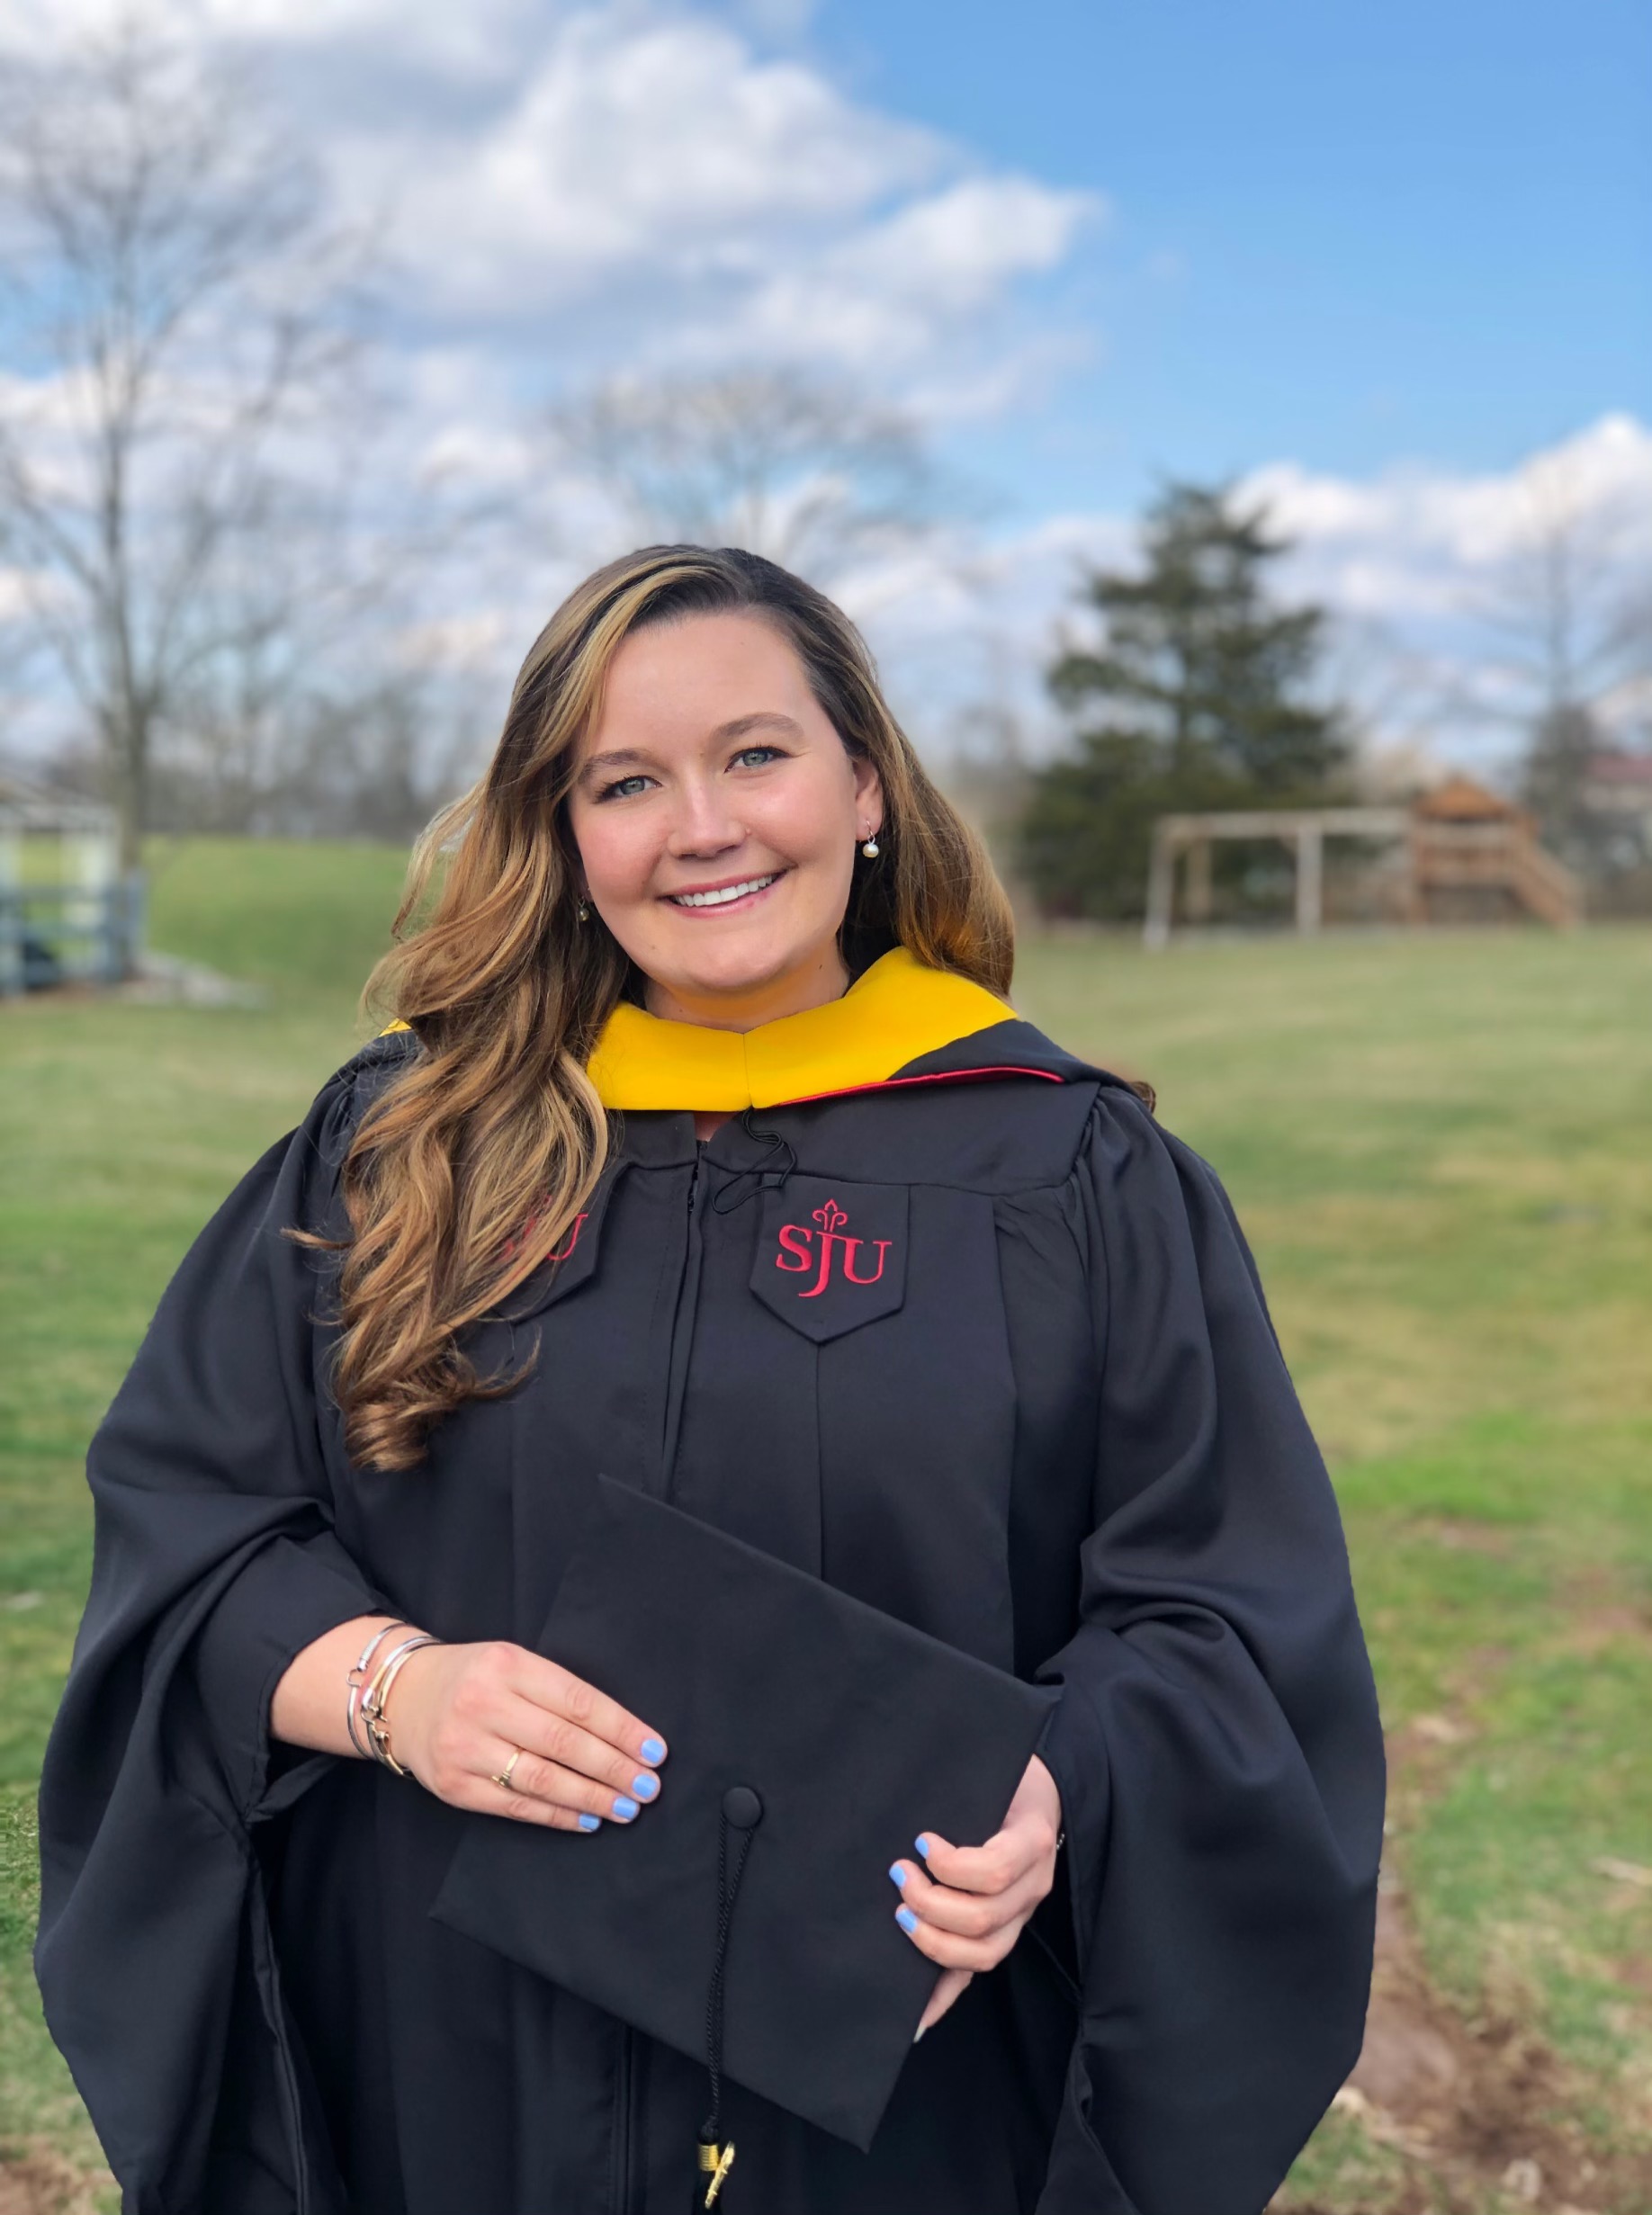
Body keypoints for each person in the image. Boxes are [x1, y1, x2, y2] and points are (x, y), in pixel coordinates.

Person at [35, 545, 1385, 2215]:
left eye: (756, 753)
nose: (701, 826)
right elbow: (196, 1538)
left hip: (899, 2065)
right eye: (625, 781)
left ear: (866, 783)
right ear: (564, 831)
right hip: (457, 2052)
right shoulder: (394, 1154)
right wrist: (403, 1689)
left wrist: (1057, 1791)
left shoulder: (1069, 1175)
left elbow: (1227, 1620)